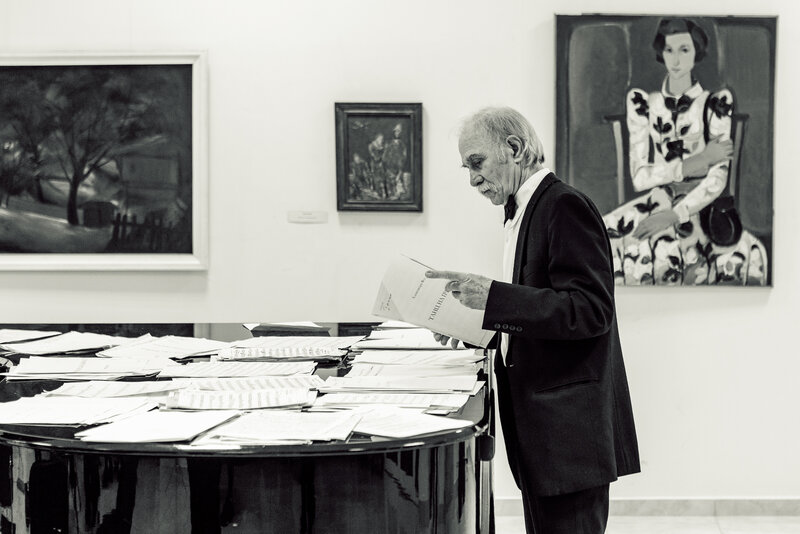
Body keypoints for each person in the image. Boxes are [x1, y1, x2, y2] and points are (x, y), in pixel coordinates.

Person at [425, 107, 640, 533]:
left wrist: (494, 297)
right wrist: (473, 328)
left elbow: (590, 311)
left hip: (569, 438)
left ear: (515, 148)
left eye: (477, 163)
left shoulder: (564, 206)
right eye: (468, 168)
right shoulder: (526, 210)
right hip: (543, 437)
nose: (472, 180)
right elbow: (537, 316)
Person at [603, 18, 768, 285]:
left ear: (696, 53)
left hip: (701, 203)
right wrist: (700, 160)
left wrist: (675, 214)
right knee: (601, 235)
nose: (676, 60)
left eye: (684, 50)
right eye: (669, 50)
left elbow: (717, 178)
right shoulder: (643, 103)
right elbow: (641, 178)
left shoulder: (716, 103)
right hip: (659, 197)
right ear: (661, 53)